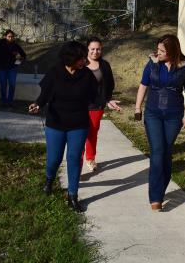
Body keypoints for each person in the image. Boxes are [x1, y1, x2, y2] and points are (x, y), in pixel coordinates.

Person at [28, 41, 98, 212]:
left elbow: (96, 96)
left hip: (79, 124)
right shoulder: (55, 72)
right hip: (56, 123)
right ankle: (49, 179)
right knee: (54, 159)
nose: (85, 61)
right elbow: (45, 94)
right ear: (70, 59)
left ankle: (72, 195)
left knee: (74, 158)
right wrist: (37, 104)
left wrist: (107, 101)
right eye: (81, 58)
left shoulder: (87, 75)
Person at [134, 34, 185, 211]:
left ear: (172, 52)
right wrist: (137, 108)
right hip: (153, 113)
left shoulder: (184, 68)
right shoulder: (152, 64)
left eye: (162, 51)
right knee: (158, 151)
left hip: (173, 116)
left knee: (166, 152)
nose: (158, 53)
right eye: (158, 49)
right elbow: (143, 85)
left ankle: (161, 187)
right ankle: (156, 197)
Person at [85, 37, 121, 172]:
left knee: (92, 133)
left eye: (98, 49)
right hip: (79, 106)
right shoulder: (80, 63)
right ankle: (77, 160)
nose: (95, 52)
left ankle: (90, 158)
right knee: (78, 134)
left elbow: (110, 84)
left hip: (96, 106)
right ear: (87, 49)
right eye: (92, 49)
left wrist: (108, 99)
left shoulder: (105, 65)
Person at [0, 29, 27, 107]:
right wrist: (13, 53)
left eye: (12, 37)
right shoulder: (1, 44)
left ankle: (10, 101)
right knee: (3, 85)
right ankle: (4, 101)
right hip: (2, 68)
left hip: (12, 68)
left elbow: (23, 55)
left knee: (12, 85)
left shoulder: (16, 45)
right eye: (9, 36)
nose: (11, 38)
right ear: (5, 36)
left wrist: (19, 59)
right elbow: (1, 53)